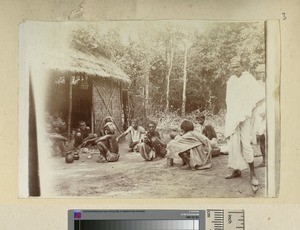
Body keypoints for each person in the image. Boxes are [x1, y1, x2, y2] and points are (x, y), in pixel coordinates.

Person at [224, 57, 264, 189]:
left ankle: (253, 175)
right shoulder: (231, 80)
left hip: (246, 116)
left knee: (245, 143)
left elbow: (259, 96)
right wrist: (232, 114)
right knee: (233, 142)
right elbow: (229, 100)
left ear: (241, 66)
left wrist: (250, 111)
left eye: (237, 66)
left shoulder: (249, 79)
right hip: (233, 116)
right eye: (232, 67)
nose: (235, 69)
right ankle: (237, 169)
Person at [252, 64, 266, 167]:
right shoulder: (257, 84)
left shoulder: (272, 83)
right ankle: (264, 160)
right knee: (261, 136)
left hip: (270, 109)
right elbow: (254, 99)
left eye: (264, 72)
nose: (262, 74)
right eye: (260, 72)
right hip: (260, 111)